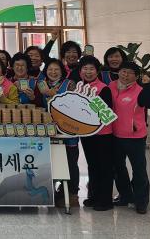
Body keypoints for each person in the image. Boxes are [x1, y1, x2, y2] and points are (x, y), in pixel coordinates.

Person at [109, 61, 150, 214]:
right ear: (119, 72)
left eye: (130, 73)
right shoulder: (111, 86)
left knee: (139, 170)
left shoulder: (140, 90)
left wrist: (147, 86)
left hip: (135, 137)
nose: (125, 75)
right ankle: (125, 196)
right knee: (118, 169)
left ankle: (141, 201)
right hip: (115, 135)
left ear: (136, 76)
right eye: (123, 71)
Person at [38, 58, 78, 205]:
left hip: (68, 128)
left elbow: (74, 105)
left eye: (56, 69)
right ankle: (52, 191)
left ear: (62, 71)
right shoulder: (42, 85)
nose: (53, 72)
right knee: (51, 161)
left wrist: (54, 97)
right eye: (50, 69)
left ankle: (72, 193)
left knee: (70, 161)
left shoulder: (69, 84)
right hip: (49, 130)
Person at [77, 56, 115, 211]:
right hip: (87, 134)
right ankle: (93, 196)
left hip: (103, 134)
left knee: (104, 167)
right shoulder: (80, 87)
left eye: (91, 69)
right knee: (92, 166)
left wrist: (92, 99)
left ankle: (105, 200)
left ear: (97, 71)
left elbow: (106, 114)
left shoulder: (103, 88)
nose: (88, 72)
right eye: (85, 68)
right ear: (80, 71)